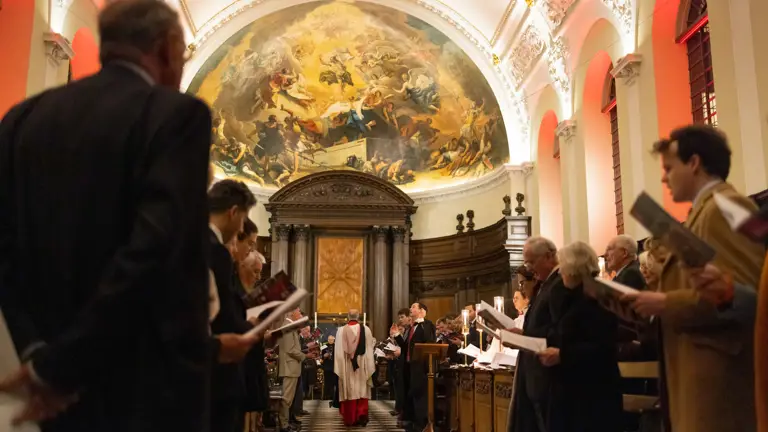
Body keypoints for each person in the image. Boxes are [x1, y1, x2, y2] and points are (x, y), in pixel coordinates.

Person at [0, 1, 212, 430]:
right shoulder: (176, 115)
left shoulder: (22, 118)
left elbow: (4, 250)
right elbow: (151, 251)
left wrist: (39, 358)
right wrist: (65, 365)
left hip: (48, 389)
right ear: (168, 47)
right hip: (148, 385)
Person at [626, 125, 764, 432]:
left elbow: (751, 297)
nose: (664, 178)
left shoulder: (727, 206)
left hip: (720, 386)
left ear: (695, 163)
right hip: (697, 377)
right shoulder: (703, 213)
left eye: (669, 168)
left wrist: (664, 302)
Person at [538, 241, 622, 431]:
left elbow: (603, 347)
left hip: (592, 395)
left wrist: (562, 355)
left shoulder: (597, 296)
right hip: (572, 391)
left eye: (563, 268)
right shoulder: (571, 296)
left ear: (574, 268)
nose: (559, 273)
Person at [208, 179, 259, 432]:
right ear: (233, 212)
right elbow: (221, 316)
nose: (241, 227)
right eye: (243, 218)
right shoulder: (214, 251)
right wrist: (250, 327)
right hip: (215, 373)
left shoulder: (187, 239)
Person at [508, 236, 567, 432]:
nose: (530, 267)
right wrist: (522, 334)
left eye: (532, 261)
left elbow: (558, 329)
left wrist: (524, 337)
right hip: (537, 374)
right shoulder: (546, 284)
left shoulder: (559, 284)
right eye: (527, 262)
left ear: (550, 256)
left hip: (548, 375)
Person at [392, 302, 436, 432]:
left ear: (422, 311)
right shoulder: (412, 328)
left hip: (421, 366)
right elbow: (406, 347)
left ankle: (421, 423)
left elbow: (429, 341)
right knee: (410, 393)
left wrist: (421, 323)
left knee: (420, 395)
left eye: (413, 307)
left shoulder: (427, 325)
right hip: (409, 366)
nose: (410, 309)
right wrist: (397, 335)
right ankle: (412, 421)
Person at [334, 309, 375, 427]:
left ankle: (350, 418)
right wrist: (368, 366)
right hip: (362, 365)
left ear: (348, 317)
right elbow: (369, 350)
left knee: (349, 390)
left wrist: (340, 367)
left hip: (347, 365)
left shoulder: (341, 331)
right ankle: (361, 415)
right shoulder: (365, 329)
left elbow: (338, 353)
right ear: (358, 317)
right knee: (361, 390)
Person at [277, 307, 307, 432]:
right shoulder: (288, 326)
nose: (300, 314)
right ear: (293, 313)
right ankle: (284, 425)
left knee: (289, 399)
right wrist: (304, 356)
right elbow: (290, 349)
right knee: (286, 398)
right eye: (299, 311)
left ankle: (287, 422)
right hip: (289, 367)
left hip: (292, 366)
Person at [322, 335, 337, 405]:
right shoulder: (324, 346)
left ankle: (332, 396)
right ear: (327, 340)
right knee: (327, 381)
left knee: (333, 382)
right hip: (326, 366)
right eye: (329, 340)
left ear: (334, 340)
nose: (330, 341)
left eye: (332, 340)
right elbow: (321, 355)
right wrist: (324, 356)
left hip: (334, 366)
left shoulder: (337, 346)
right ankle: (326, 396)